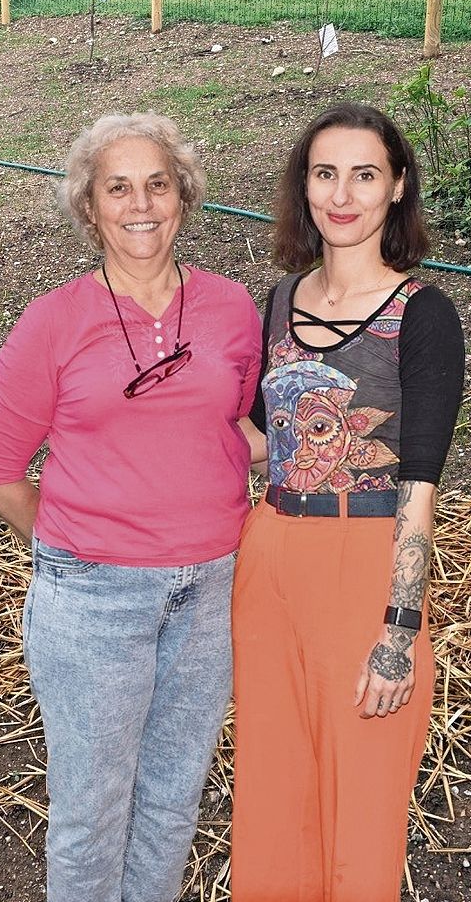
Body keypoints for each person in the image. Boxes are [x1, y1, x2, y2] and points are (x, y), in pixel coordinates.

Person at [0, 112, 262, 902]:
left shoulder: (232, 308)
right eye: (118, 187)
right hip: (93, 601)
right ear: (89, 206)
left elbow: (233, 427)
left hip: (209, 591)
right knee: (91, 813)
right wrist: (76, 550)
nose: (141, 205)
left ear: (183, 198)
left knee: (171, 800)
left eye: (157, 185)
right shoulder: (52, 322)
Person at [231, 102, 466, 902]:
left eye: (364, 174)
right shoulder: (277, 301)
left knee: (360, 814)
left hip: (366, 568)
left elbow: (419, 486)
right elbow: (262, 439)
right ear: (303, 185)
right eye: (324, 173)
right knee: (273, 802)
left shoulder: (422, 315)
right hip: (268, 565)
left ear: (396, 186)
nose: (341, 194)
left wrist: (398, 631)